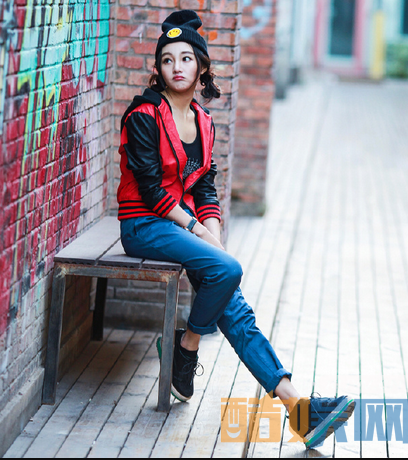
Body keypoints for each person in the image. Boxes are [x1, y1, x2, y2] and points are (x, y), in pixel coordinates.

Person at [116, 9, 354, 449]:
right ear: (158, 69)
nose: (176, 67)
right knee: (227, 271)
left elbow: (205, 186)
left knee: (234, 304)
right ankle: (187, 348)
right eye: (167, 60)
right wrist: (200, 233)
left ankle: (299, 409)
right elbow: (150, 191)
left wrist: (213, 233)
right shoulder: (144, 115)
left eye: (185, 58)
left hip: (182, 226)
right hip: (144, 224)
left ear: (201, 67)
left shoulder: (204, 122)